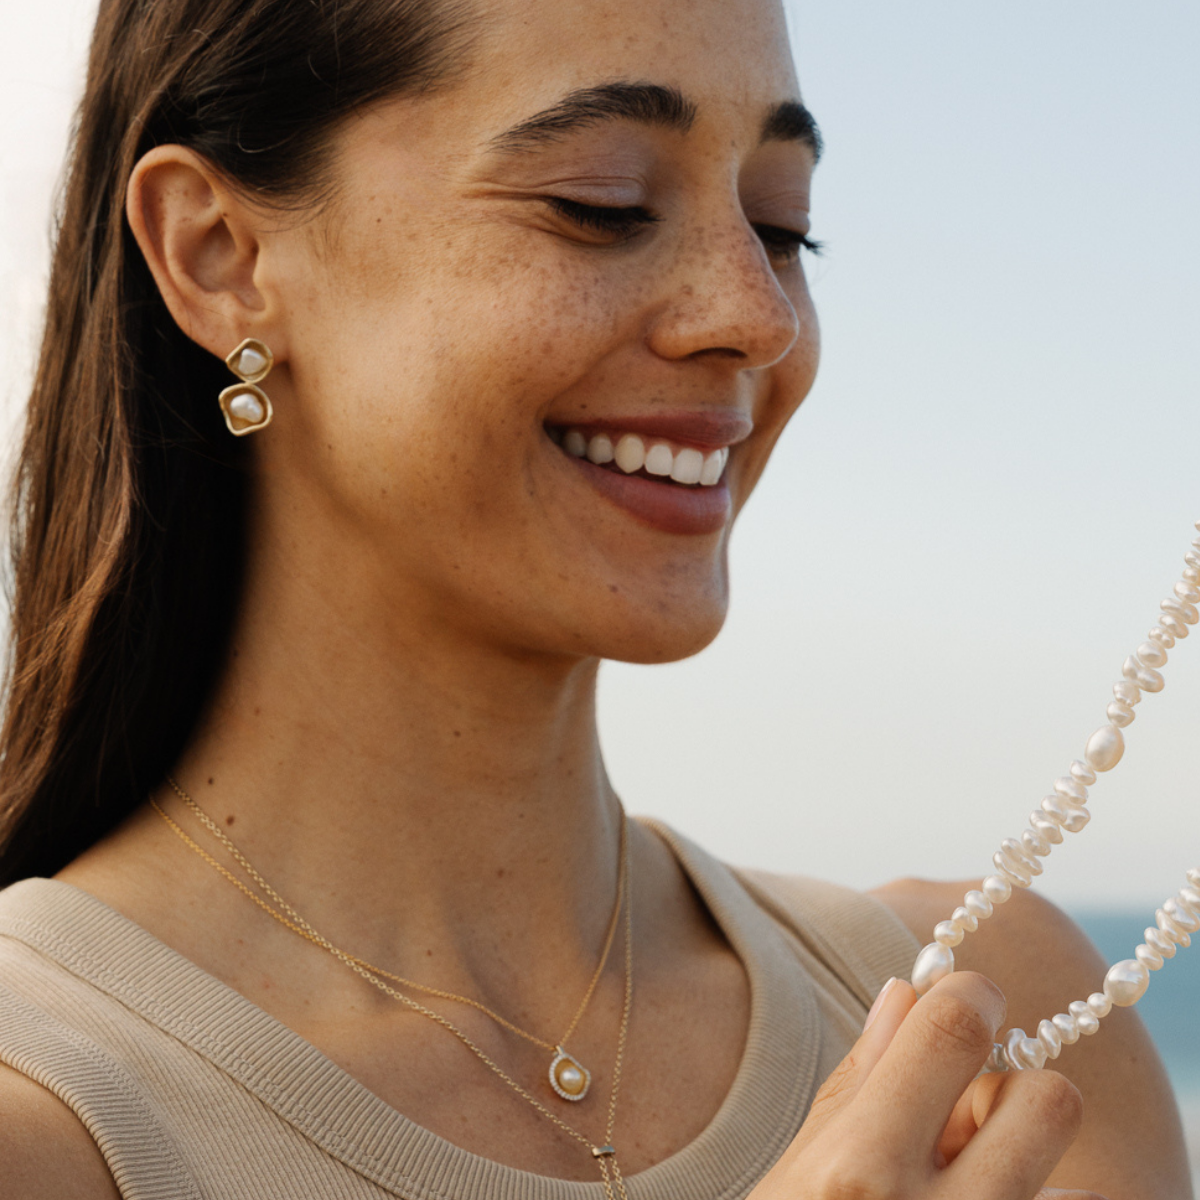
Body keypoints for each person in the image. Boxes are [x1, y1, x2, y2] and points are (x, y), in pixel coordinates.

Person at [0, 0, 1190, 1195]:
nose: (755, 316)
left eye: (781, 227)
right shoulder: (49, 1116)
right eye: (602, 203)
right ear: (220, 253)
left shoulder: (1007, 1047)